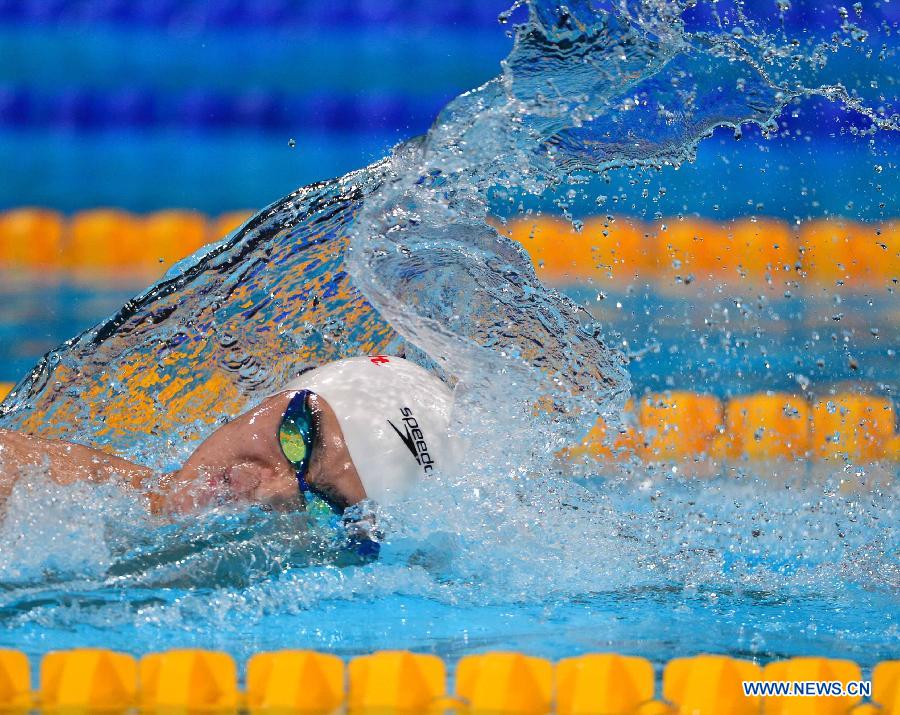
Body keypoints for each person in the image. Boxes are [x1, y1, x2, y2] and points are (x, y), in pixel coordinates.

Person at [0, 356, 454, 553]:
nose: (268, 484)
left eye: (321, 504)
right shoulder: (43, 482)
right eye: (295, 436)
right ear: (274, 401)